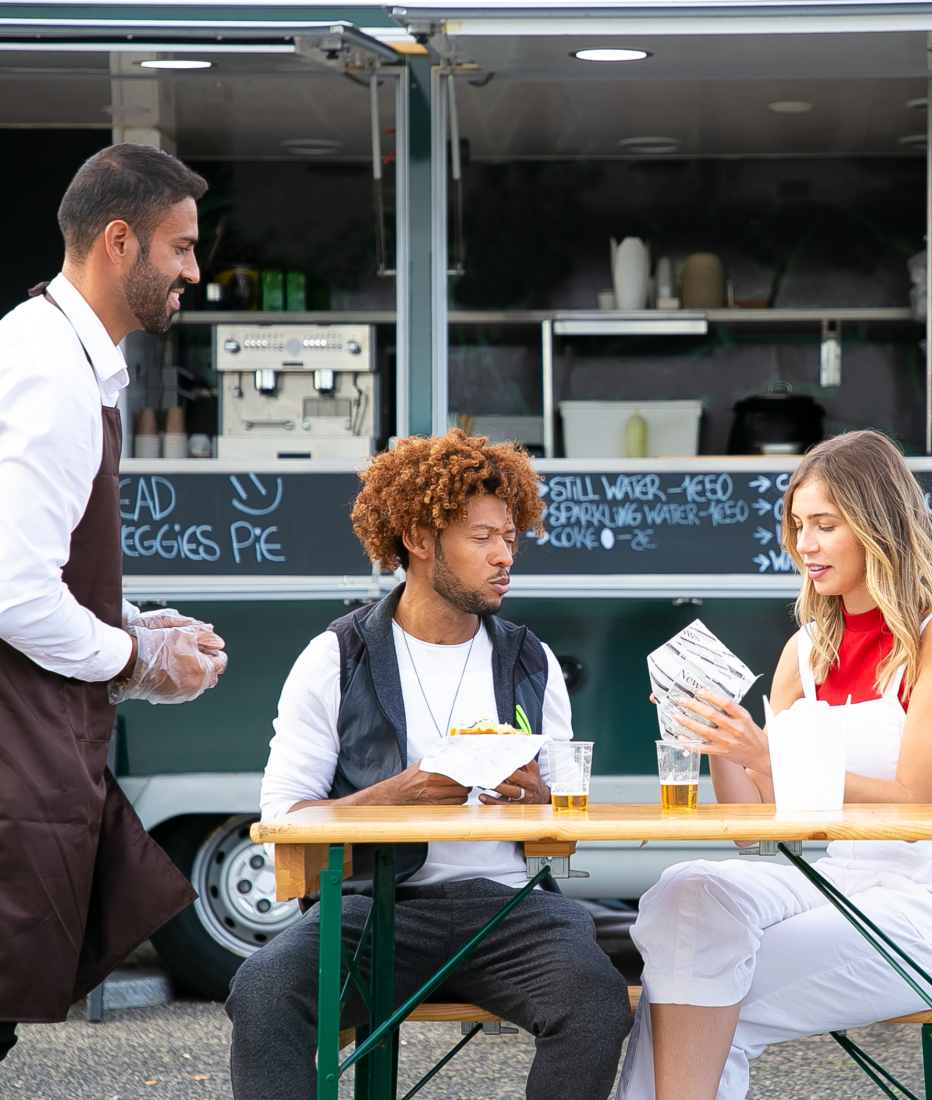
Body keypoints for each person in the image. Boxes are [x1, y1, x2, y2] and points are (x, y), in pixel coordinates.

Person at [226, 430, 632, 1100]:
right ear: (418, 536)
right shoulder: (336, 657)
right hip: (375, 909)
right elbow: (284, 818)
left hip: (508, 911)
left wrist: (536, 797)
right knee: (265, 991)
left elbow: (564, 827)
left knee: (594, 1001)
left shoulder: (532, 660)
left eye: (510, 537)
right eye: (483, 538)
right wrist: (401, 794)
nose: (505, 557)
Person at [617, 430, 932, 1100]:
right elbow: (751, 827)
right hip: (836, 883)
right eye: (798, 526)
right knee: (690, 894)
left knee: (688, 989)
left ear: (878, 525)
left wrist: (769, 750)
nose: (805, 546)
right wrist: (717, 735)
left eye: (825, 525)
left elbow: (917, 802)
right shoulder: (806, 650)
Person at [0, 144, 229, 1059]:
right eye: (181, 248)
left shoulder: (63, 354)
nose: (194, 271)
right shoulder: (49, 371)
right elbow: (14, 593)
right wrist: (136, 661)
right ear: (120, 241)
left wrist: (134, 629)